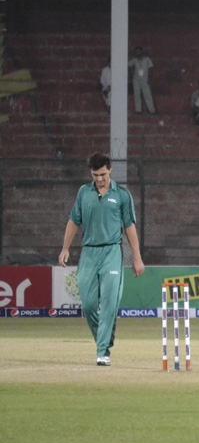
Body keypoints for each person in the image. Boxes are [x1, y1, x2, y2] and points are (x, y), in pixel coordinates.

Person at [58, 153, 145, 366]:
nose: (99, 178)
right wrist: (65, 248)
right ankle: (104, 340)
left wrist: (137, 257)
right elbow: (73, 221)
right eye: (95, 175)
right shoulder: (83, 192)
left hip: (112, 253)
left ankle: (103, 350)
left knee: (109, 304)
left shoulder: (122, 195)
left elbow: (129, 227)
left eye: (103, 174)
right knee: (88, 305)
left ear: (111, 170)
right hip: (88, 252)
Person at [127, 46, 156, 115]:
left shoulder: (147, 59)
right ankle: (138, 110)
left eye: (139, 51)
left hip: (144, 79)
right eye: (136, 51)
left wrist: (149, 78)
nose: (137, 52)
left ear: (141, 51)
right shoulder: (134, 60)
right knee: (137, 95)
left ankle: (152, 110)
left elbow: (151, 68)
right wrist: (131, 72)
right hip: (136, 80)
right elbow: (128, 65)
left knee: (147, 94)